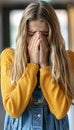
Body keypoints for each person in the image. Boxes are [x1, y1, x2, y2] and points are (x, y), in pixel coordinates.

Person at [1, 1, 74, 130]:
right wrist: (33, 65)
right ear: (24, 34)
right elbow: (13, 109)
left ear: (54, 34)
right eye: (32, 34)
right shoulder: (9, 58)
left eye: (45, 34)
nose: (39, 40)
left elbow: (60, 110)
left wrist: (45, 65)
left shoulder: (68, 59)